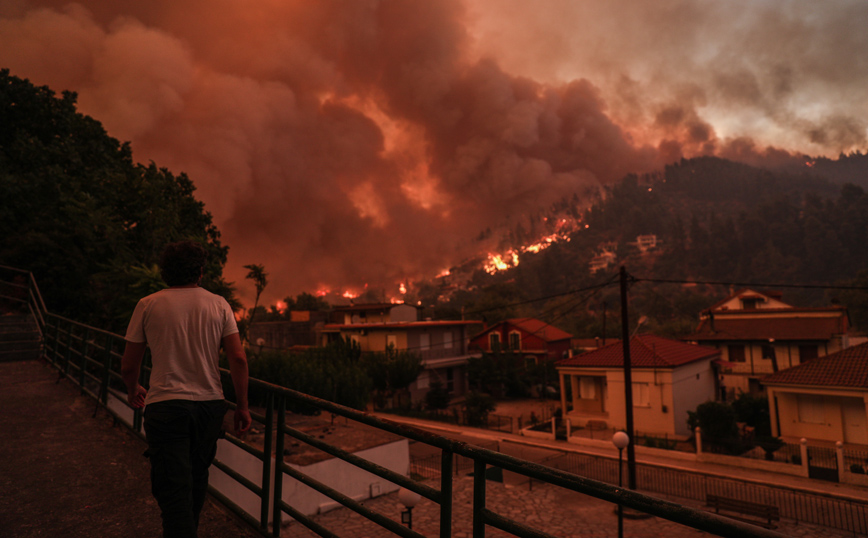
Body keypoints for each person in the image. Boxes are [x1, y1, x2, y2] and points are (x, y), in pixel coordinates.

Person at [121, 241, 251, 538]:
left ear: (165, 272)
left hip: (166, 407)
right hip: (209, 407)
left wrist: (133, 389)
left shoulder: (148, 304)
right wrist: (242, 406)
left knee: (172, 489)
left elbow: (129, 365)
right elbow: (239, 359)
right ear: (200, 272)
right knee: (196, 477)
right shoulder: (219, 304)